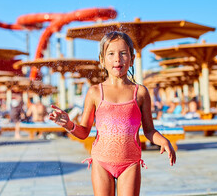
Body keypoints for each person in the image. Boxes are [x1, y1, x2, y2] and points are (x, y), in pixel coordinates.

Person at [50, 31, 176, 195]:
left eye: (123, 53)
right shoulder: (95, 92)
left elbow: (149, 130)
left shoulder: (140, 93)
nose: (117, 58)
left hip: (129, 163)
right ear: (102, 60)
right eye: (111, 54)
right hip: (101, 162)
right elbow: (84, 132)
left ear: (132, 59)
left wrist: (164, 141)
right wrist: (68, 124)